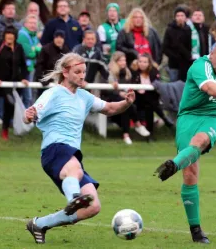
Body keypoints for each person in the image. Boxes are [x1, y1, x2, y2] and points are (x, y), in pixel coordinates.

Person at [23, 53, 137, 244]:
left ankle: (40, 224)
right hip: (54, 149)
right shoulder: (53, 93)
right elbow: (32, 114)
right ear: (65, 72)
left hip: (71, 155)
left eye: (84, 72)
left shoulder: (84, 96)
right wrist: (29, 115)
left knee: (93, 207)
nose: (82, 75)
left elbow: (109, 108)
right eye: (78, 72)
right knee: (74, 171)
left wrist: (126, 103)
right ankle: (73, 199)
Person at [153, 39, 216, 243]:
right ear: (212, 53)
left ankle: (173, 164)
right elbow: (211, 89)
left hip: (210, 119)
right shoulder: (200, 66)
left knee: (200, 140)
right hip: (188, 118)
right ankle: (195, 230)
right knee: (190, 175)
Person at [102, 51, 150, 145]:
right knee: (127, 105)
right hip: (111, 98)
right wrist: (119, 93)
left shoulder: (127, 72)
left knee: (127, 106)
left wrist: (126, 94)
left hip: (123, 97)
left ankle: (126, 135)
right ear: (115, 61)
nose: (123, 62)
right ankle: (137, 125)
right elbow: (107, 90)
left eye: (124, 60)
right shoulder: (109, 72)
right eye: (121, 60)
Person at [0, 27, 29, 140]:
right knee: (9, 103)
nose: (9, 38)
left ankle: (15, 129)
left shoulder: (19, 47)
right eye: (7, 36)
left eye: (11, 36)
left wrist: (23, 78)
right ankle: (5, 130)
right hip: (2, 82)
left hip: (16, 82)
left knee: (13, 107)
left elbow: (23, 65)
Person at [131, 53, 174, 140]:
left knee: (149, 106)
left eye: (145, 62)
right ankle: (164, 118)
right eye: (140, 61)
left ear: (149, 63)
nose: (142, 64)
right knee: (149, 104)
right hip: (139, 99)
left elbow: (156, 85)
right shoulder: (134, 72)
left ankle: (150, 134)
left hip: (151, 98)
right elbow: (133, 86)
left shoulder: (154, 71)